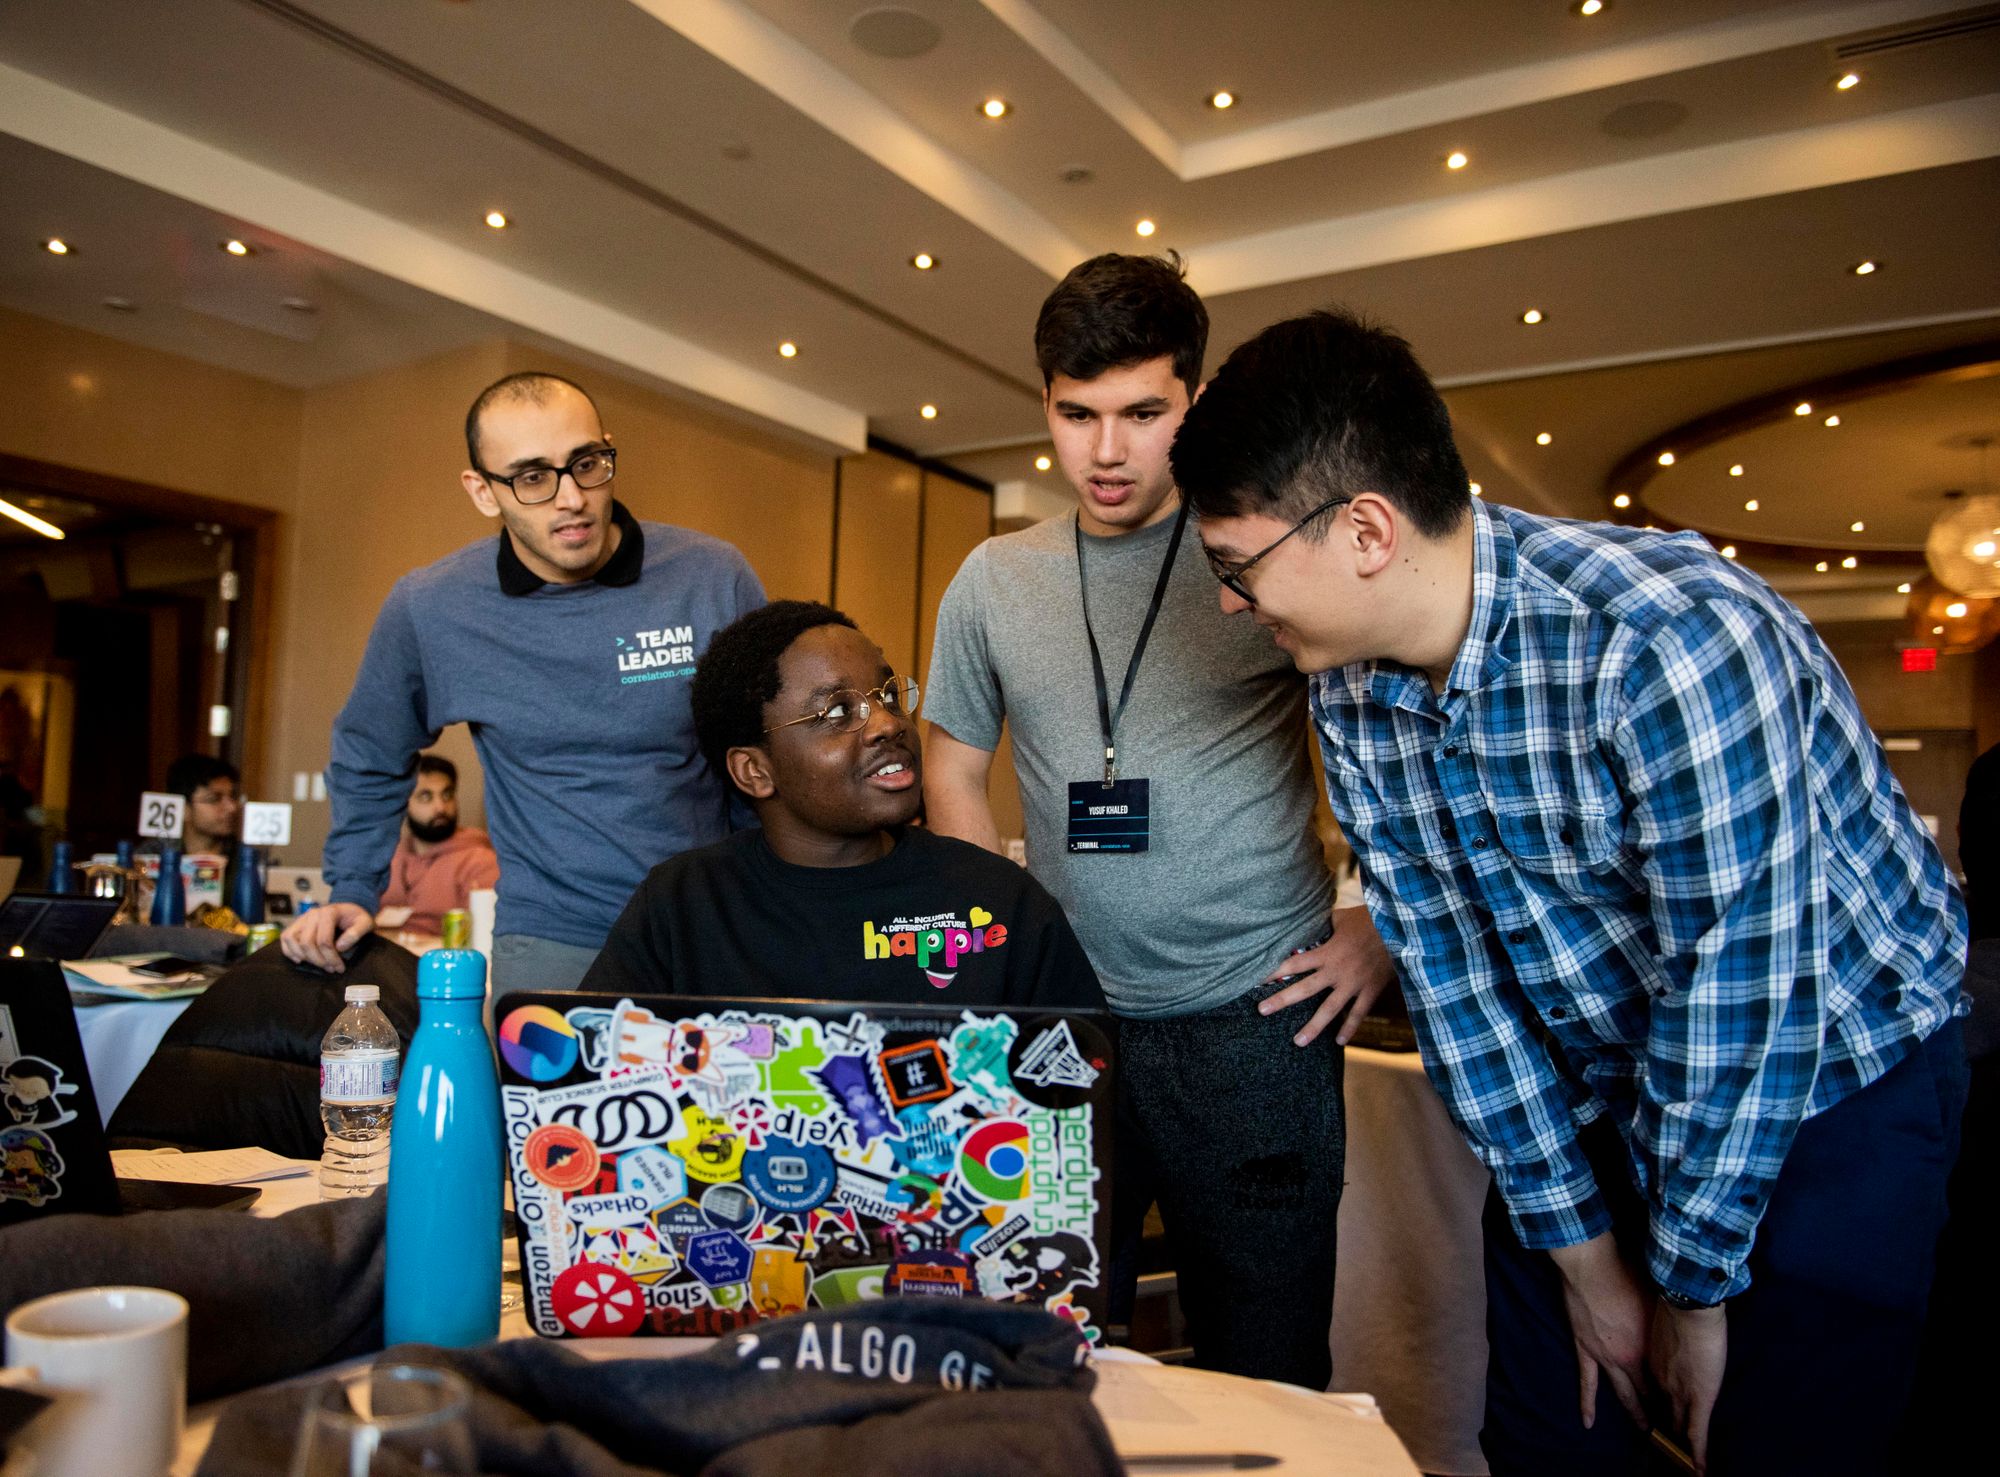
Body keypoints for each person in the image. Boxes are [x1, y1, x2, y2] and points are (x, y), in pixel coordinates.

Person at [1170, 306, 1969, 1476]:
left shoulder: (1668, 642)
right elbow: (1453, 978)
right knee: (1551, 1431)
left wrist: (1691, 1292)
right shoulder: (1345, 686)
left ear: (1366, 530)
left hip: (1829, 1081)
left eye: (1234, 567)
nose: (1233, 604)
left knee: (1777, 1434)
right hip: (1597, 1075)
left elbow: (1737, 998)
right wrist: (1590, 1264)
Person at [920, 254, 1392, 1387]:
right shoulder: (993, 579)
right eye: (1075, 415)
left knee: (1265, 1353)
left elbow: (1387, 740)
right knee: (1043, 1346)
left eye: (1142, 412)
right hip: (1059, 1024)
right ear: (1044, 402)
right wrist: (997, 947)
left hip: (1255, 1013)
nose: (1106, 450)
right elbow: (951, 763)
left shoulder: (1260, 554)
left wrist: (1376, 923)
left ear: (1192, 398)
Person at [283, 371, 765, 988]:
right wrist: (354, 886)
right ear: (484, 491)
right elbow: (370, 750)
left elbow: (770, 752)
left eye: (587, 463)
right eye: (532, 477)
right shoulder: (432, 606)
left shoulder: (711, 577)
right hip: (552, 938)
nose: (571, 498)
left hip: (712, 925)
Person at [582, 600, 1102, 1013]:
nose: (888, 723)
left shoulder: (998, 898)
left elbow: (1082, 1094)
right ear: (755, 771)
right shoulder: (683, 906)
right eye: (836, 711)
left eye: (888, 695)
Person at [375, 754, 499, 935]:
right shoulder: (389, 856)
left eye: (447, 795)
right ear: (404, 804)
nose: (440, 807)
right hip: (383, 952)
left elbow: (483, 936)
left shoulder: (480, 861)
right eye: (426, 797)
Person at [165, 754, 242, 858]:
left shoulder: (245, 858)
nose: (232, 808)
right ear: (183, 808)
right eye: (214, 799)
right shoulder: (153, 855)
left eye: (233, 796)